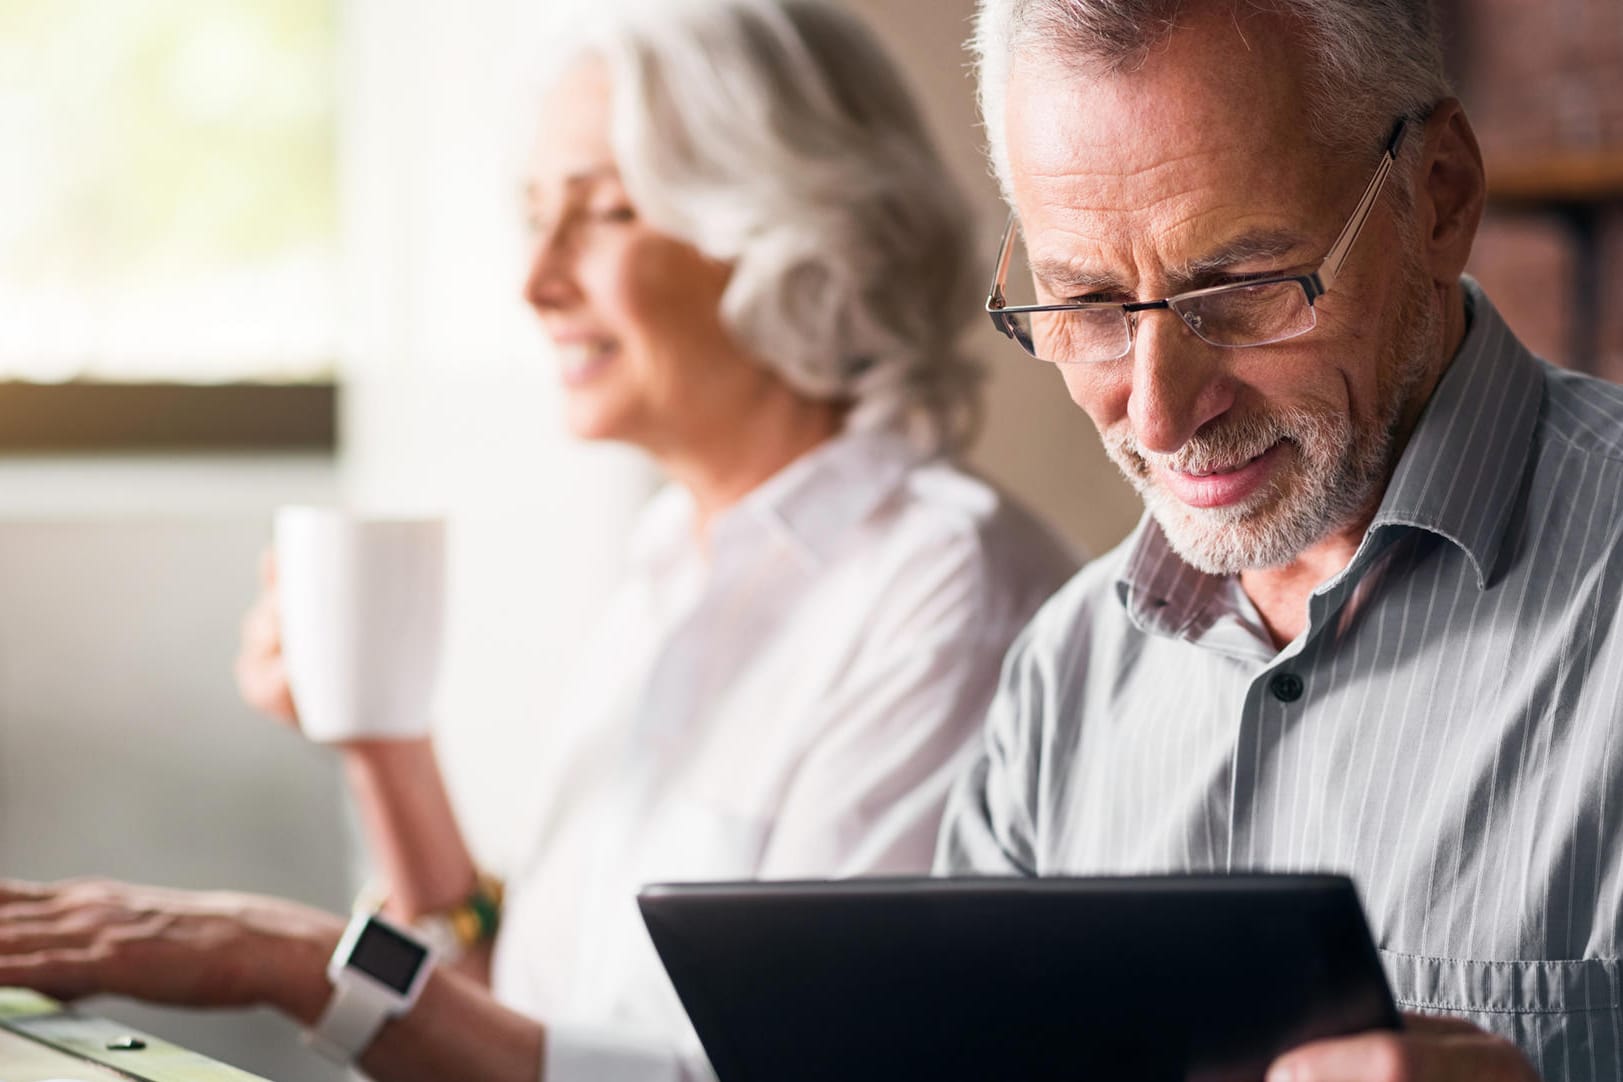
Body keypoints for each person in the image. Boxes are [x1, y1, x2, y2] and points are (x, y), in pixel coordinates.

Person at [0, 3, 1076, 1080]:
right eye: (534, 217)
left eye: (603, 212)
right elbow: (515, 1020)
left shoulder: (945, 595)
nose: (536, 281)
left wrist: (282, 960)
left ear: (794, 230)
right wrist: (385, 746)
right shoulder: (670, 559)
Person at [938, 0, 1622, 1079]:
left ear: (1439, 198)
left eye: (1243, 288)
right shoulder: (1059, 682)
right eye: (1092, 306)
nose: (1159, 417)